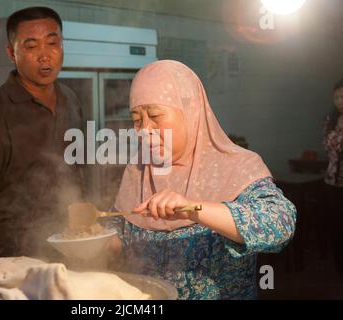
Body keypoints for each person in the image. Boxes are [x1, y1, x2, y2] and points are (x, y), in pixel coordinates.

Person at [109, 60, 296, 299]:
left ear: (191, 111)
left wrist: (193, 209)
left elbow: (280, 223)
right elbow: (120, 225)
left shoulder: (236, 165)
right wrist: (95, 241)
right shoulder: (138, 168)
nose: (145, 129)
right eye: (137, 119)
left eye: (155, 115)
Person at [0, 7, 84, 258]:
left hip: (68, 247)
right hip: (16, 253)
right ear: (12, 53)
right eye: (31, 47)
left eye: (52, 43)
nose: (45, 56)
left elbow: (75, 173)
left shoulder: (71, 99)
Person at [323, 78, 343, 280]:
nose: (340, 101)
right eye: (337, 97)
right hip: (332, 182)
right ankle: (339, 268)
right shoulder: (331, 119)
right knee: (336, 226)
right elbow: (330, 148)